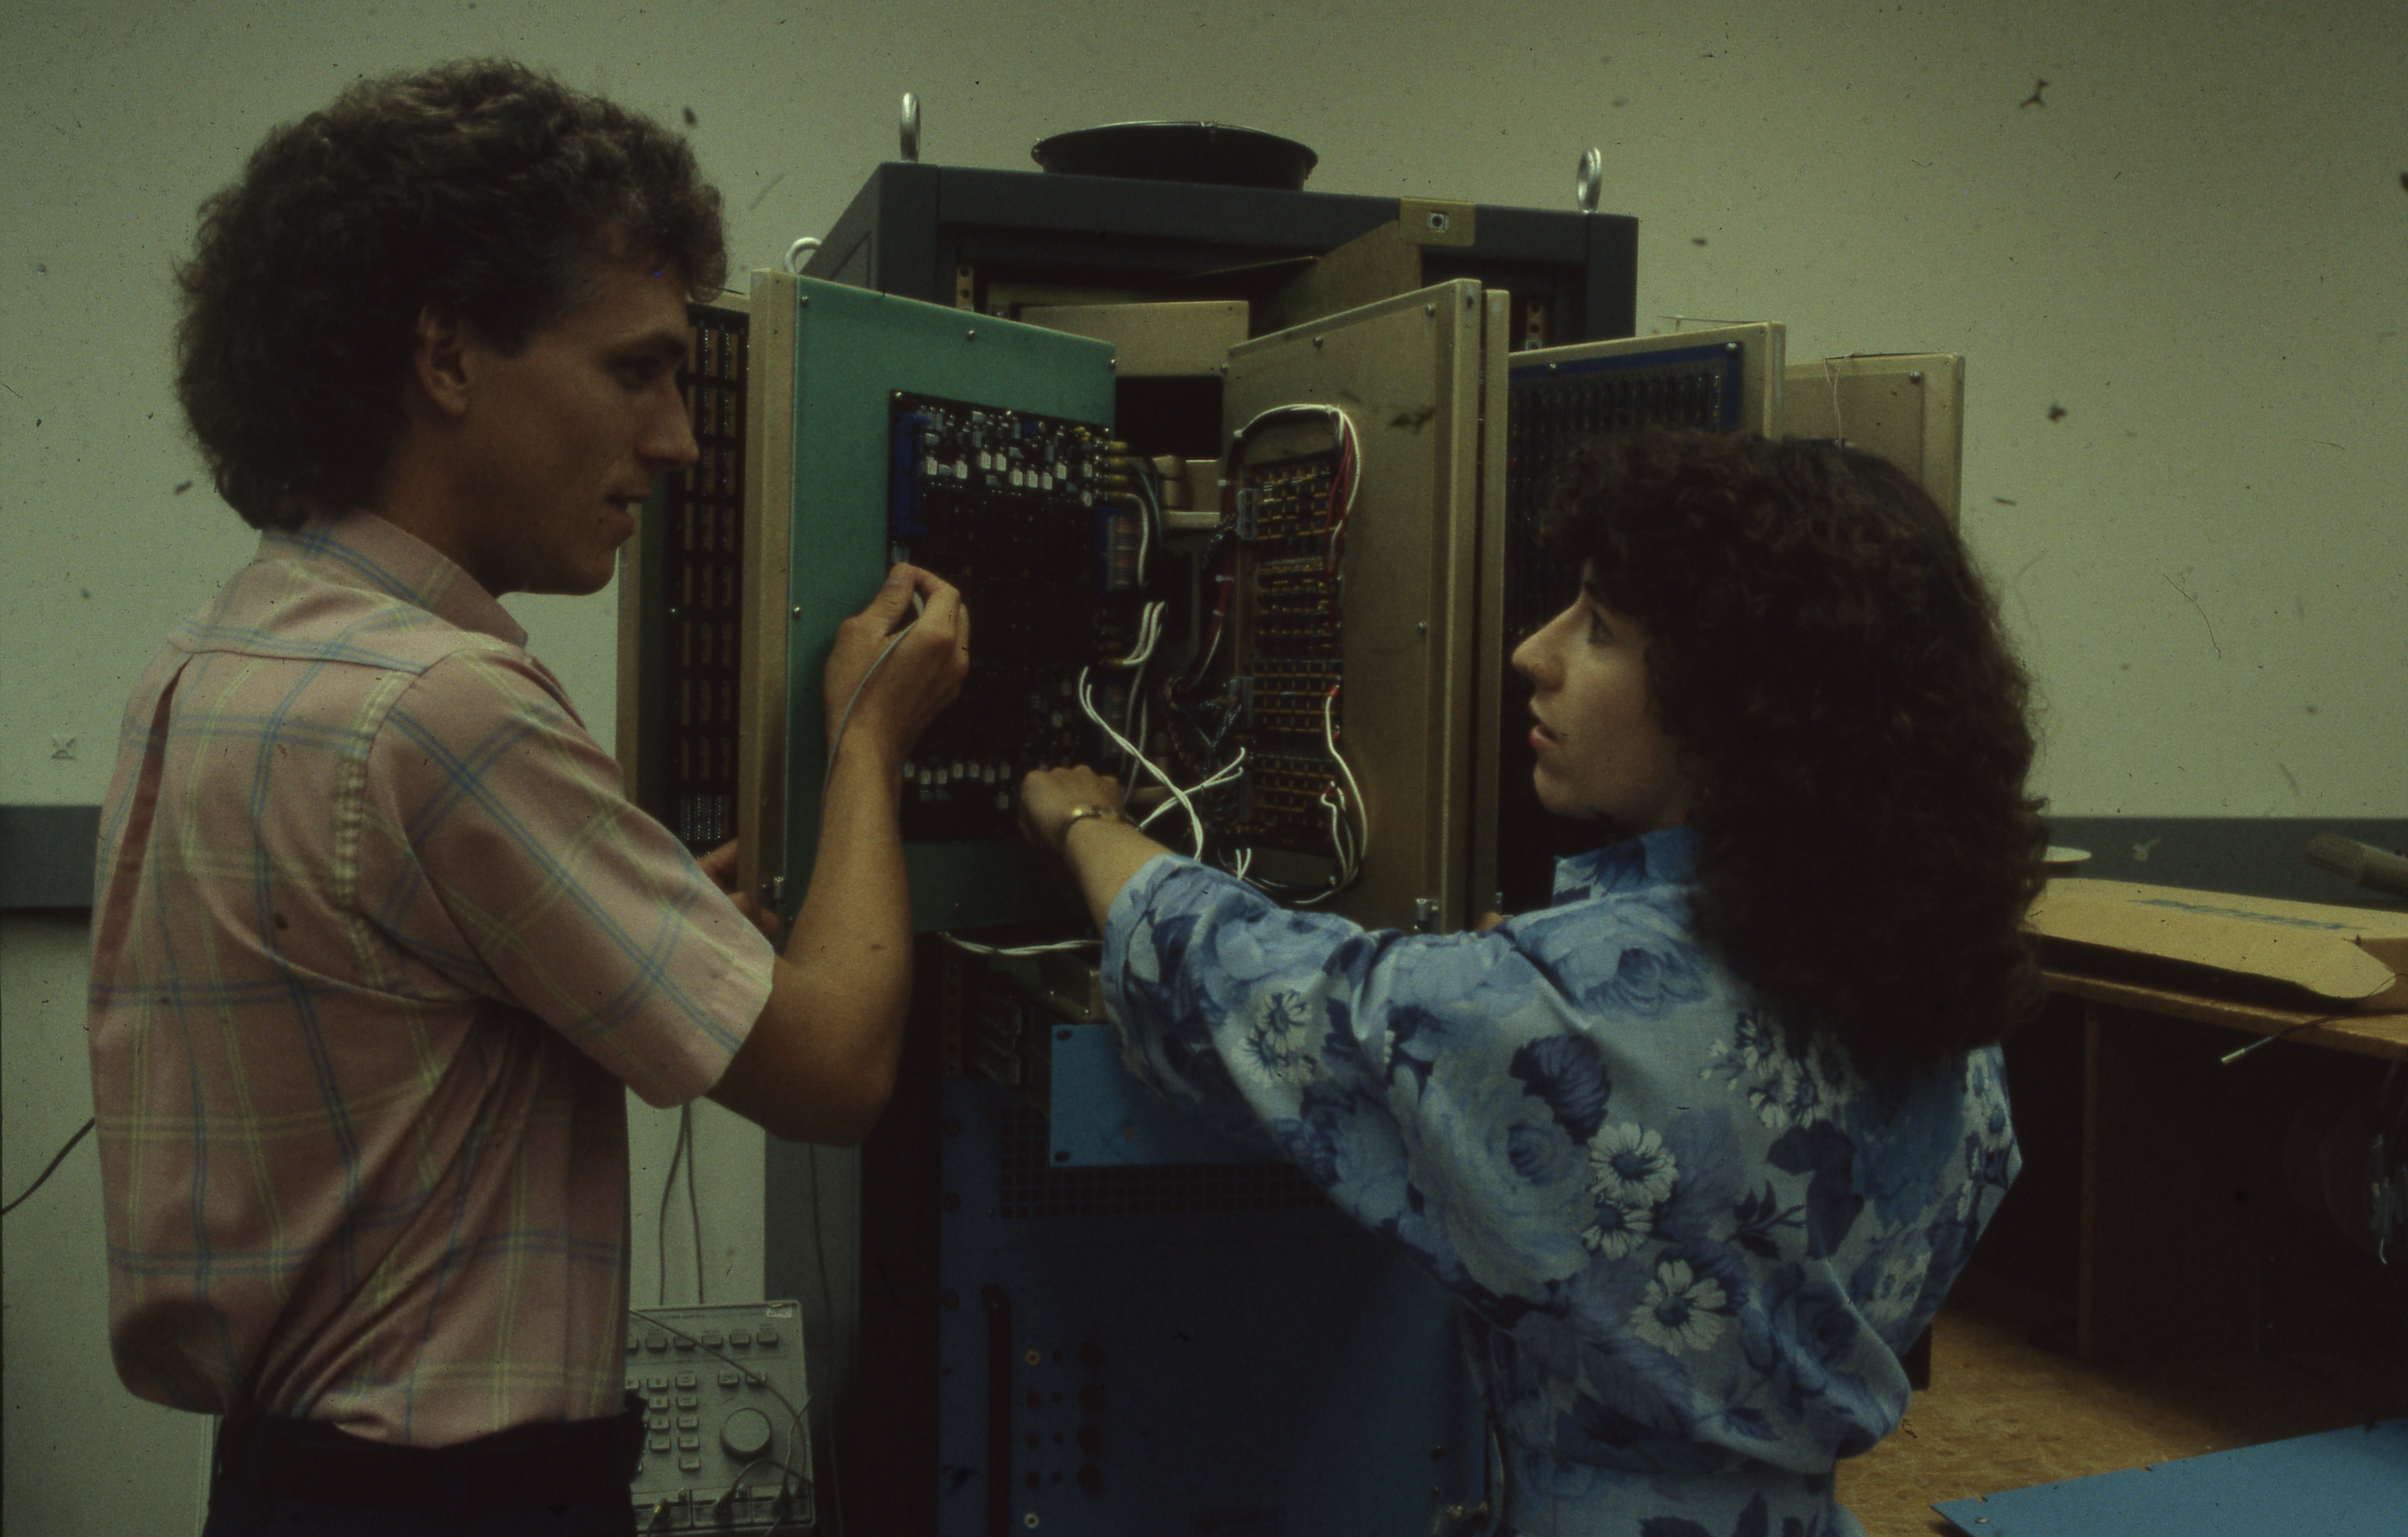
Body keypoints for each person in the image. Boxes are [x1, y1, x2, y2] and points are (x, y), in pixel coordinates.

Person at [86, 59, 967, 1536]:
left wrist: (631, 940)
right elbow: (832, 1072)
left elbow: (392, 1027)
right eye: (636, 371)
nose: (680, 439)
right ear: (446, 357)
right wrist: (871, 739)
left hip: (286, 1485)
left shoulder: (216, 658)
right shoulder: (443, 710)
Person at [1018, 426, 2045, 1537]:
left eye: (1599, 627)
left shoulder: (1563, 1016)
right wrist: (1540, 977)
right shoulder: (1947, 1010)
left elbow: (1241, 987)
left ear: (1738, 706)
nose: (1533, 652)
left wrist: (1087, 825)